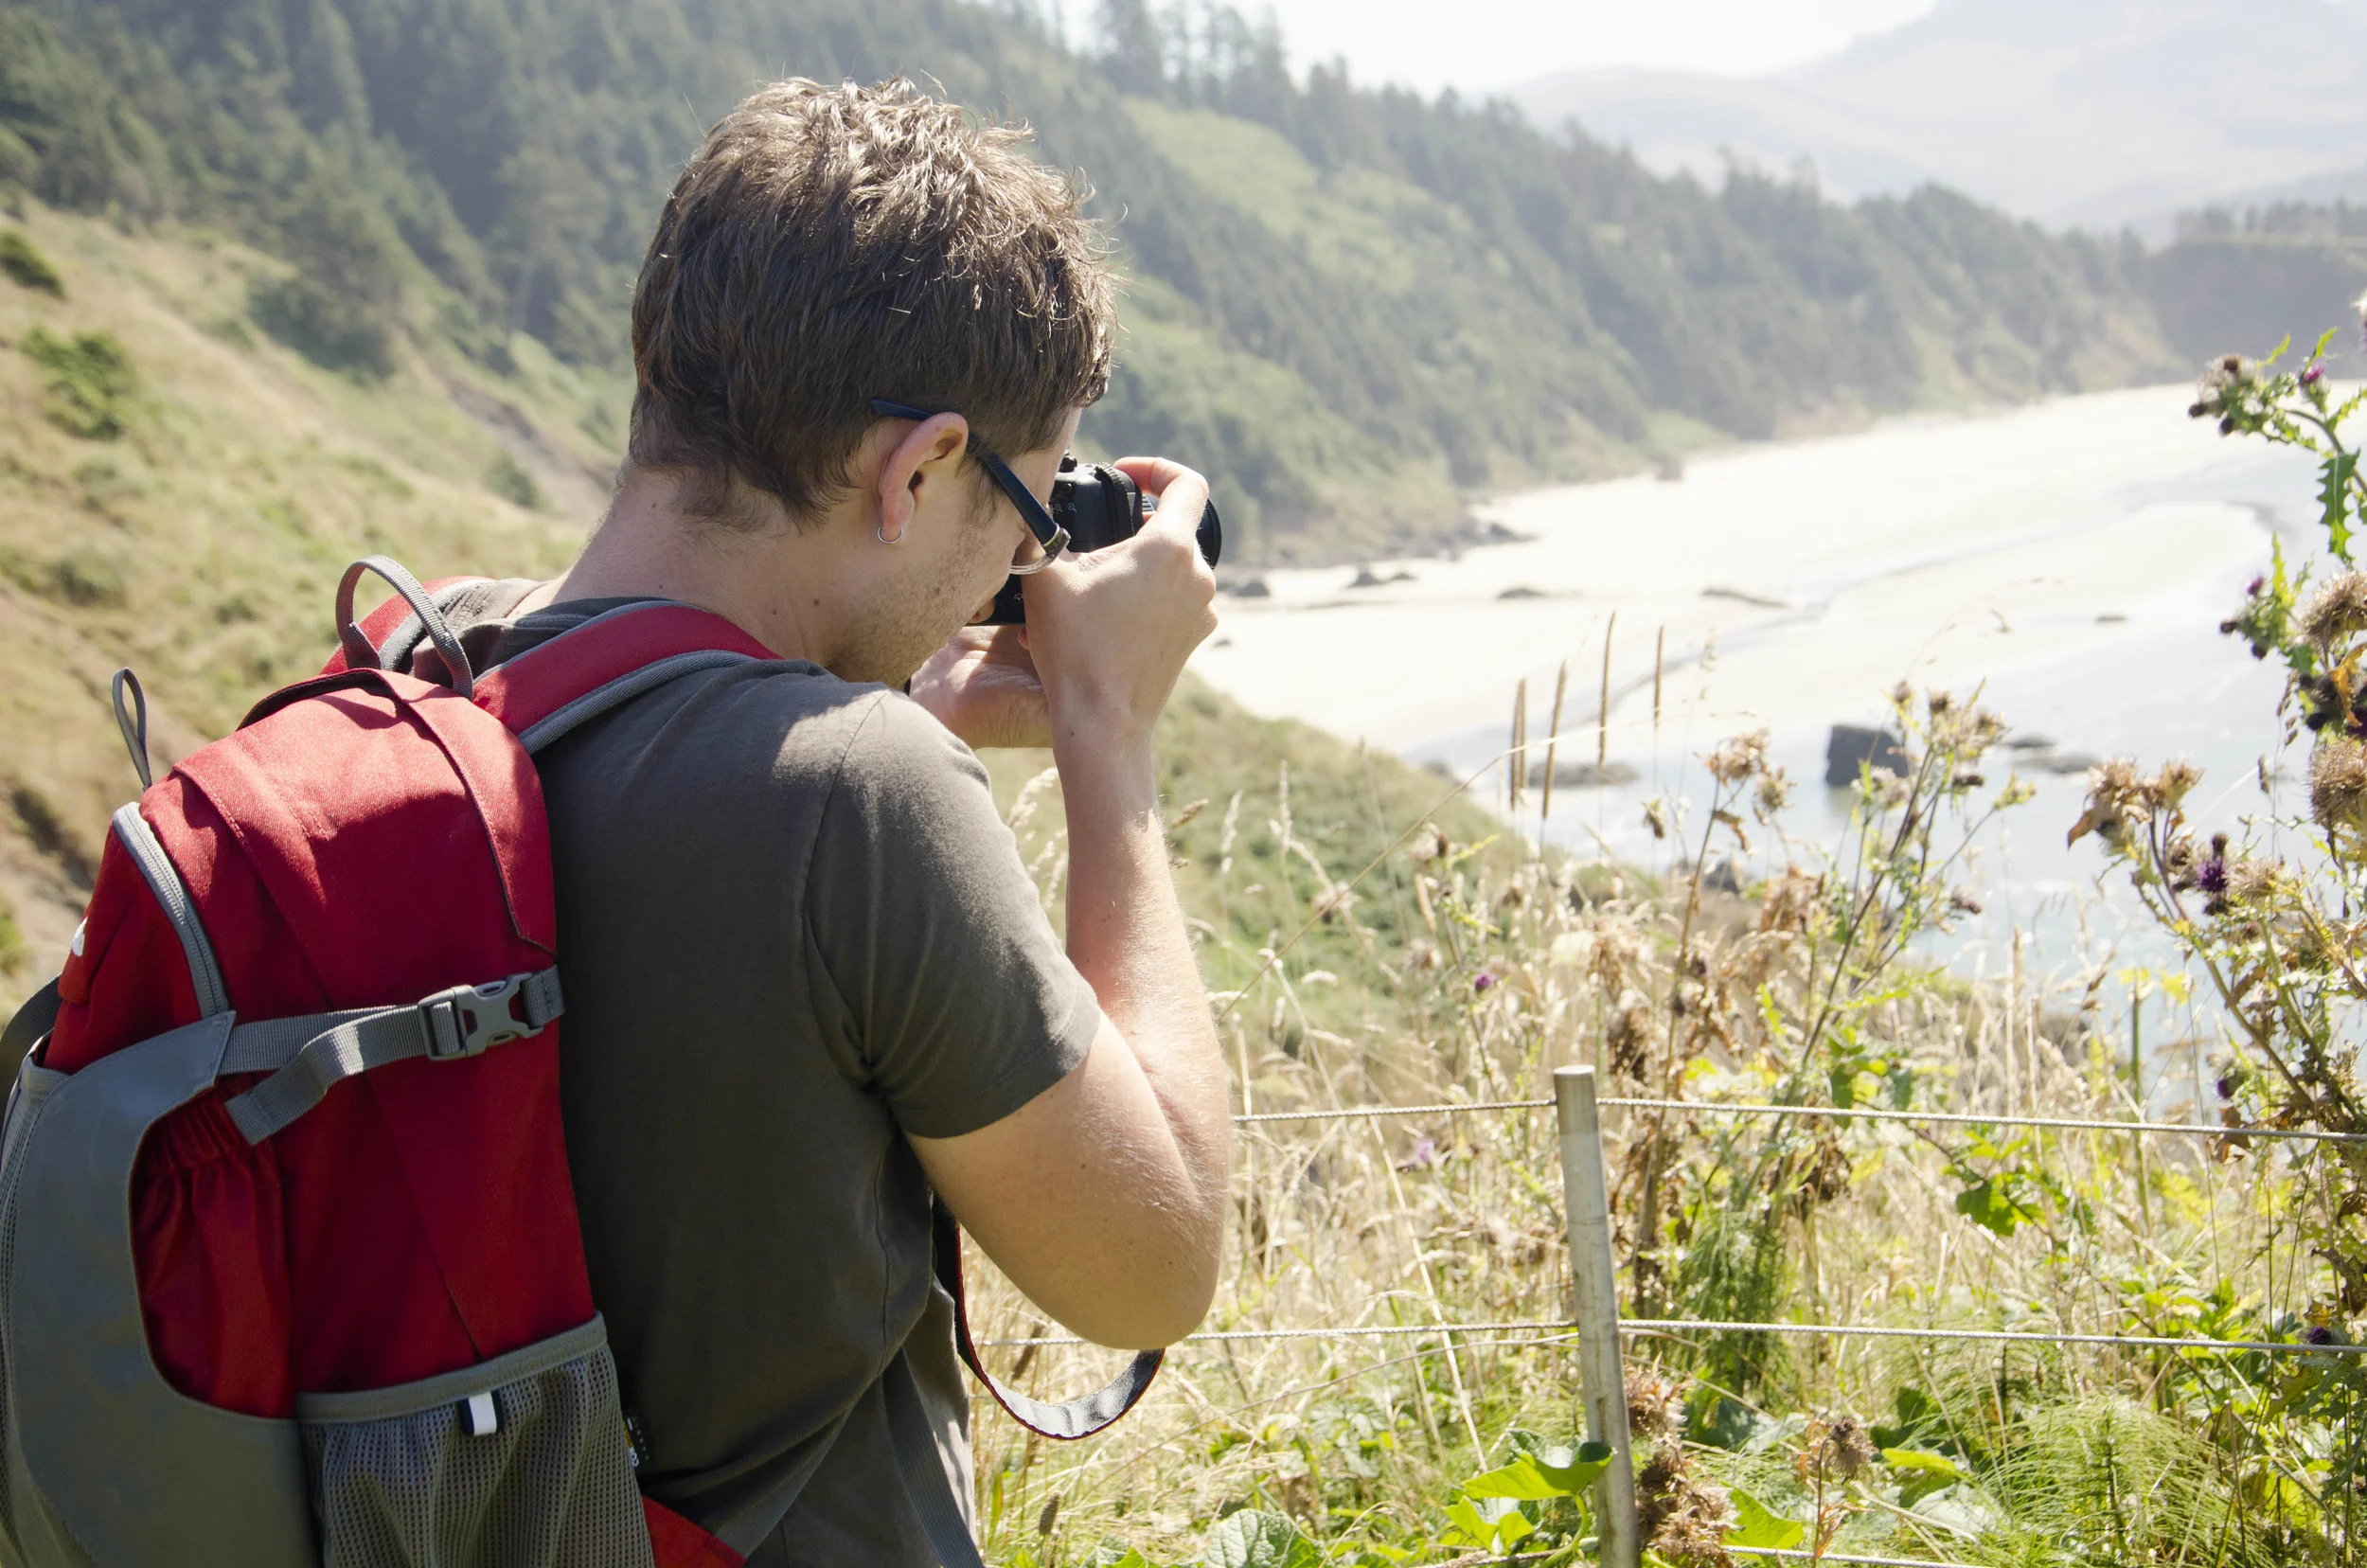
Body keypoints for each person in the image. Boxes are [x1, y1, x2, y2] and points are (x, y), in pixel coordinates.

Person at [426, 78, 1230, 1563]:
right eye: (1031, 513)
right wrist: (1106, 730)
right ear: (918, 469)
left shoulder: (427, 673)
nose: (1026, 560)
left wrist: (882, 698)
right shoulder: (859, 808)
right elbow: (1155, 1262)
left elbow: (662, 828)